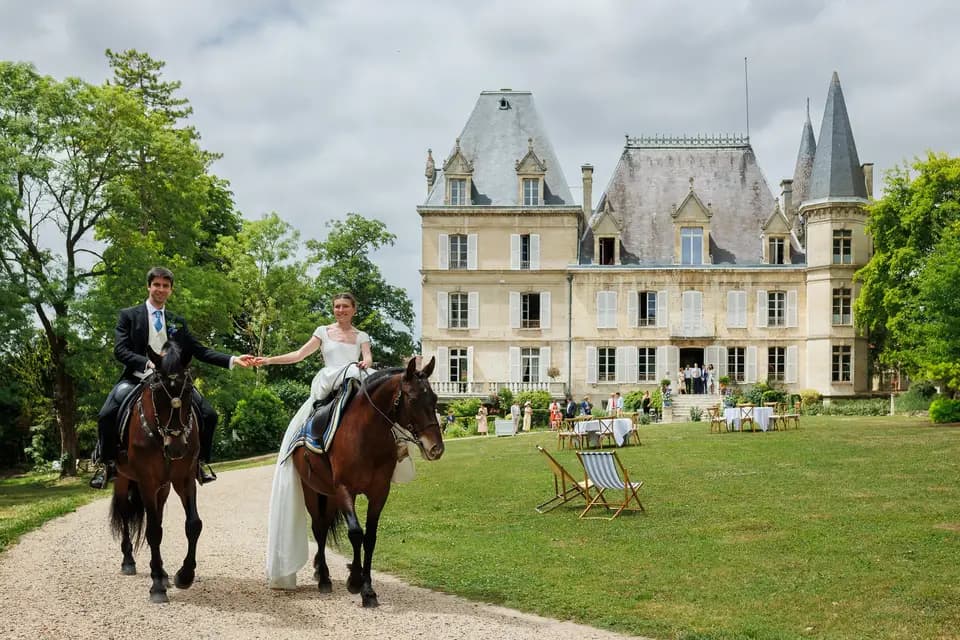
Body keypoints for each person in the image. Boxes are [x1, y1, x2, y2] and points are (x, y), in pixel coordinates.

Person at [256, 292, 380, 590]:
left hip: (355, 379)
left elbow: (367, 358)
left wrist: (364, 363)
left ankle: (393, 451)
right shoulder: (323, 332)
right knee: (311, 418)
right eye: (337, 306)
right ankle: (305, 443)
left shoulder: (362, 335)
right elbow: (299, 355)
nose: (341, 310)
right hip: (329, 384)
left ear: (354, 309)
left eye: (346, 306)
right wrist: (269, 360)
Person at [89, 267, 254, 489]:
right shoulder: (129, 315)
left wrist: (233, 359)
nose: (161, 289)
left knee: (210, 415)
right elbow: (120, 350)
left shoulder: (177, 321)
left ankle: (200, 463)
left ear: (171, 290)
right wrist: (146, 363)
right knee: (106, 415)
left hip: (172, 383)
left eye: (165, 286)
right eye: (156, 284)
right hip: (137, 377)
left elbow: (200, 350)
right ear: (149, 287)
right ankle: (106, 464)